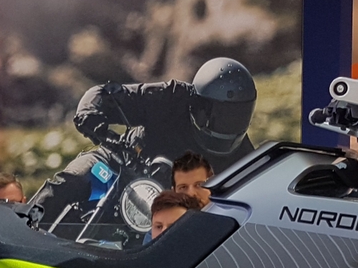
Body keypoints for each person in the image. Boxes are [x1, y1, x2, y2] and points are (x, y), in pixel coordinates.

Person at [31, 59, 257, 222]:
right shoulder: (170, 97)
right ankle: (24, 224)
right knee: (71, 181)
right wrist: (90, 115)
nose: (226, 125)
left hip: (165, 209)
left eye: (237, 115)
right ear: (197, 105)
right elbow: (105, 94)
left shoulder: (245, 160)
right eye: (218, 114)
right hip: (119, 163)